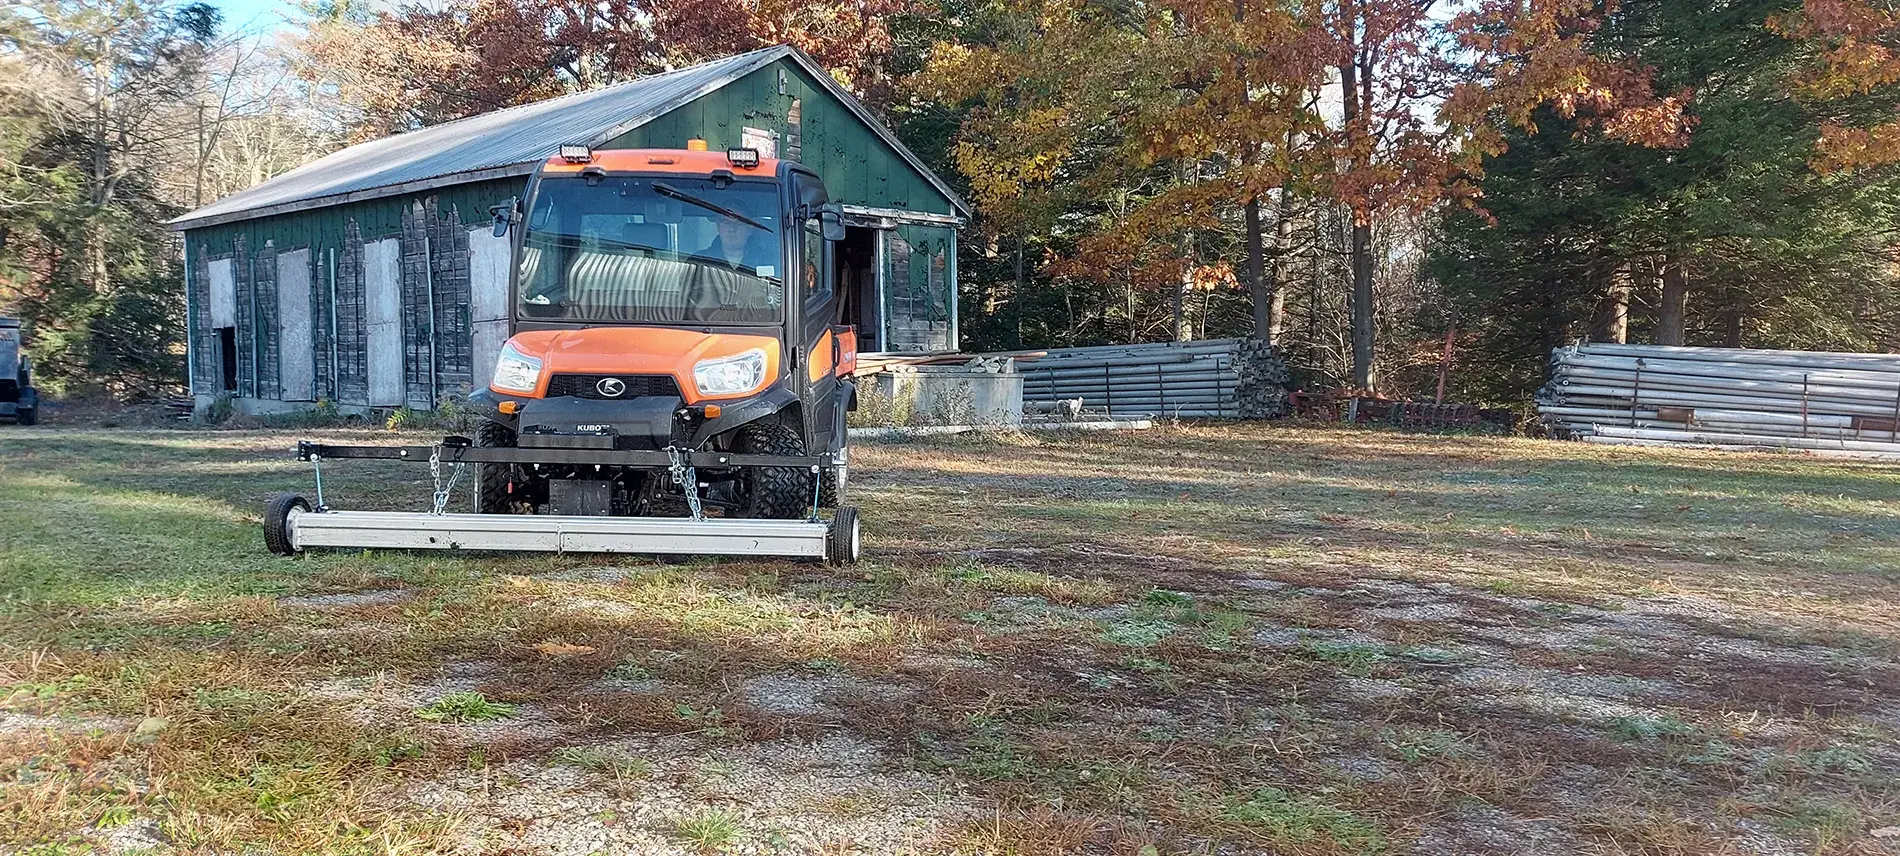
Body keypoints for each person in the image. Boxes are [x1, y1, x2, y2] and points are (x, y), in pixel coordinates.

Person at [697, 217, 777, 274]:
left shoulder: (769, 260)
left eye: (738, 223)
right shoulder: (699, 260)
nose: (732, 229)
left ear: (749, 228)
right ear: (718, 227)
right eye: (726, 222)